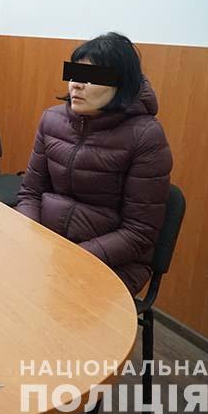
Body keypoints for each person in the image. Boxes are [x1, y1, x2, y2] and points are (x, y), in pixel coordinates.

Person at [15, 32, 173, 296]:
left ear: (122, 84)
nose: (76, 85)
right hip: (49, 246)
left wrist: (71, 257)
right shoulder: (52, 120)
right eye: (75, 75)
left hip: (111, 262)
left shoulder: (146, 136)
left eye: (92, 78)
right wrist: (33, 238)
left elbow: (139, 232)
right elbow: (30, 193)